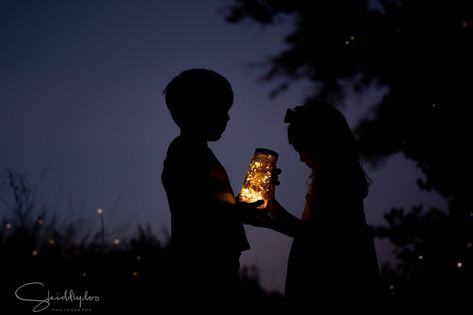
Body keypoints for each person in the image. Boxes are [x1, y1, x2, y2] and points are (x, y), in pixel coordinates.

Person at [257, 100, 382, 309]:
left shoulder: (339, 183)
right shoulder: (328, 181)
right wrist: (271, 205)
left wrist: (268, 221)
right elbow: (310, 232)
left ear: (319, 144)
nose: (299, 158)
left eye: (301, 148)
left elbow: (318, 237)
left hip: (329, 291)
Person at [161, 68, 260, 307]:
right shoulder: (185, 152)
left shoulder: (199, 153)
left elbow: (210, 203)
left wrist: (242, 201)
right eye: (221, 110)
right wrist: (238, 211)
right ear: (197, 110)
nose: (227, 118)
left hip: (216, 260)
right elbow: (193, 207)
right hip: (201, 264)